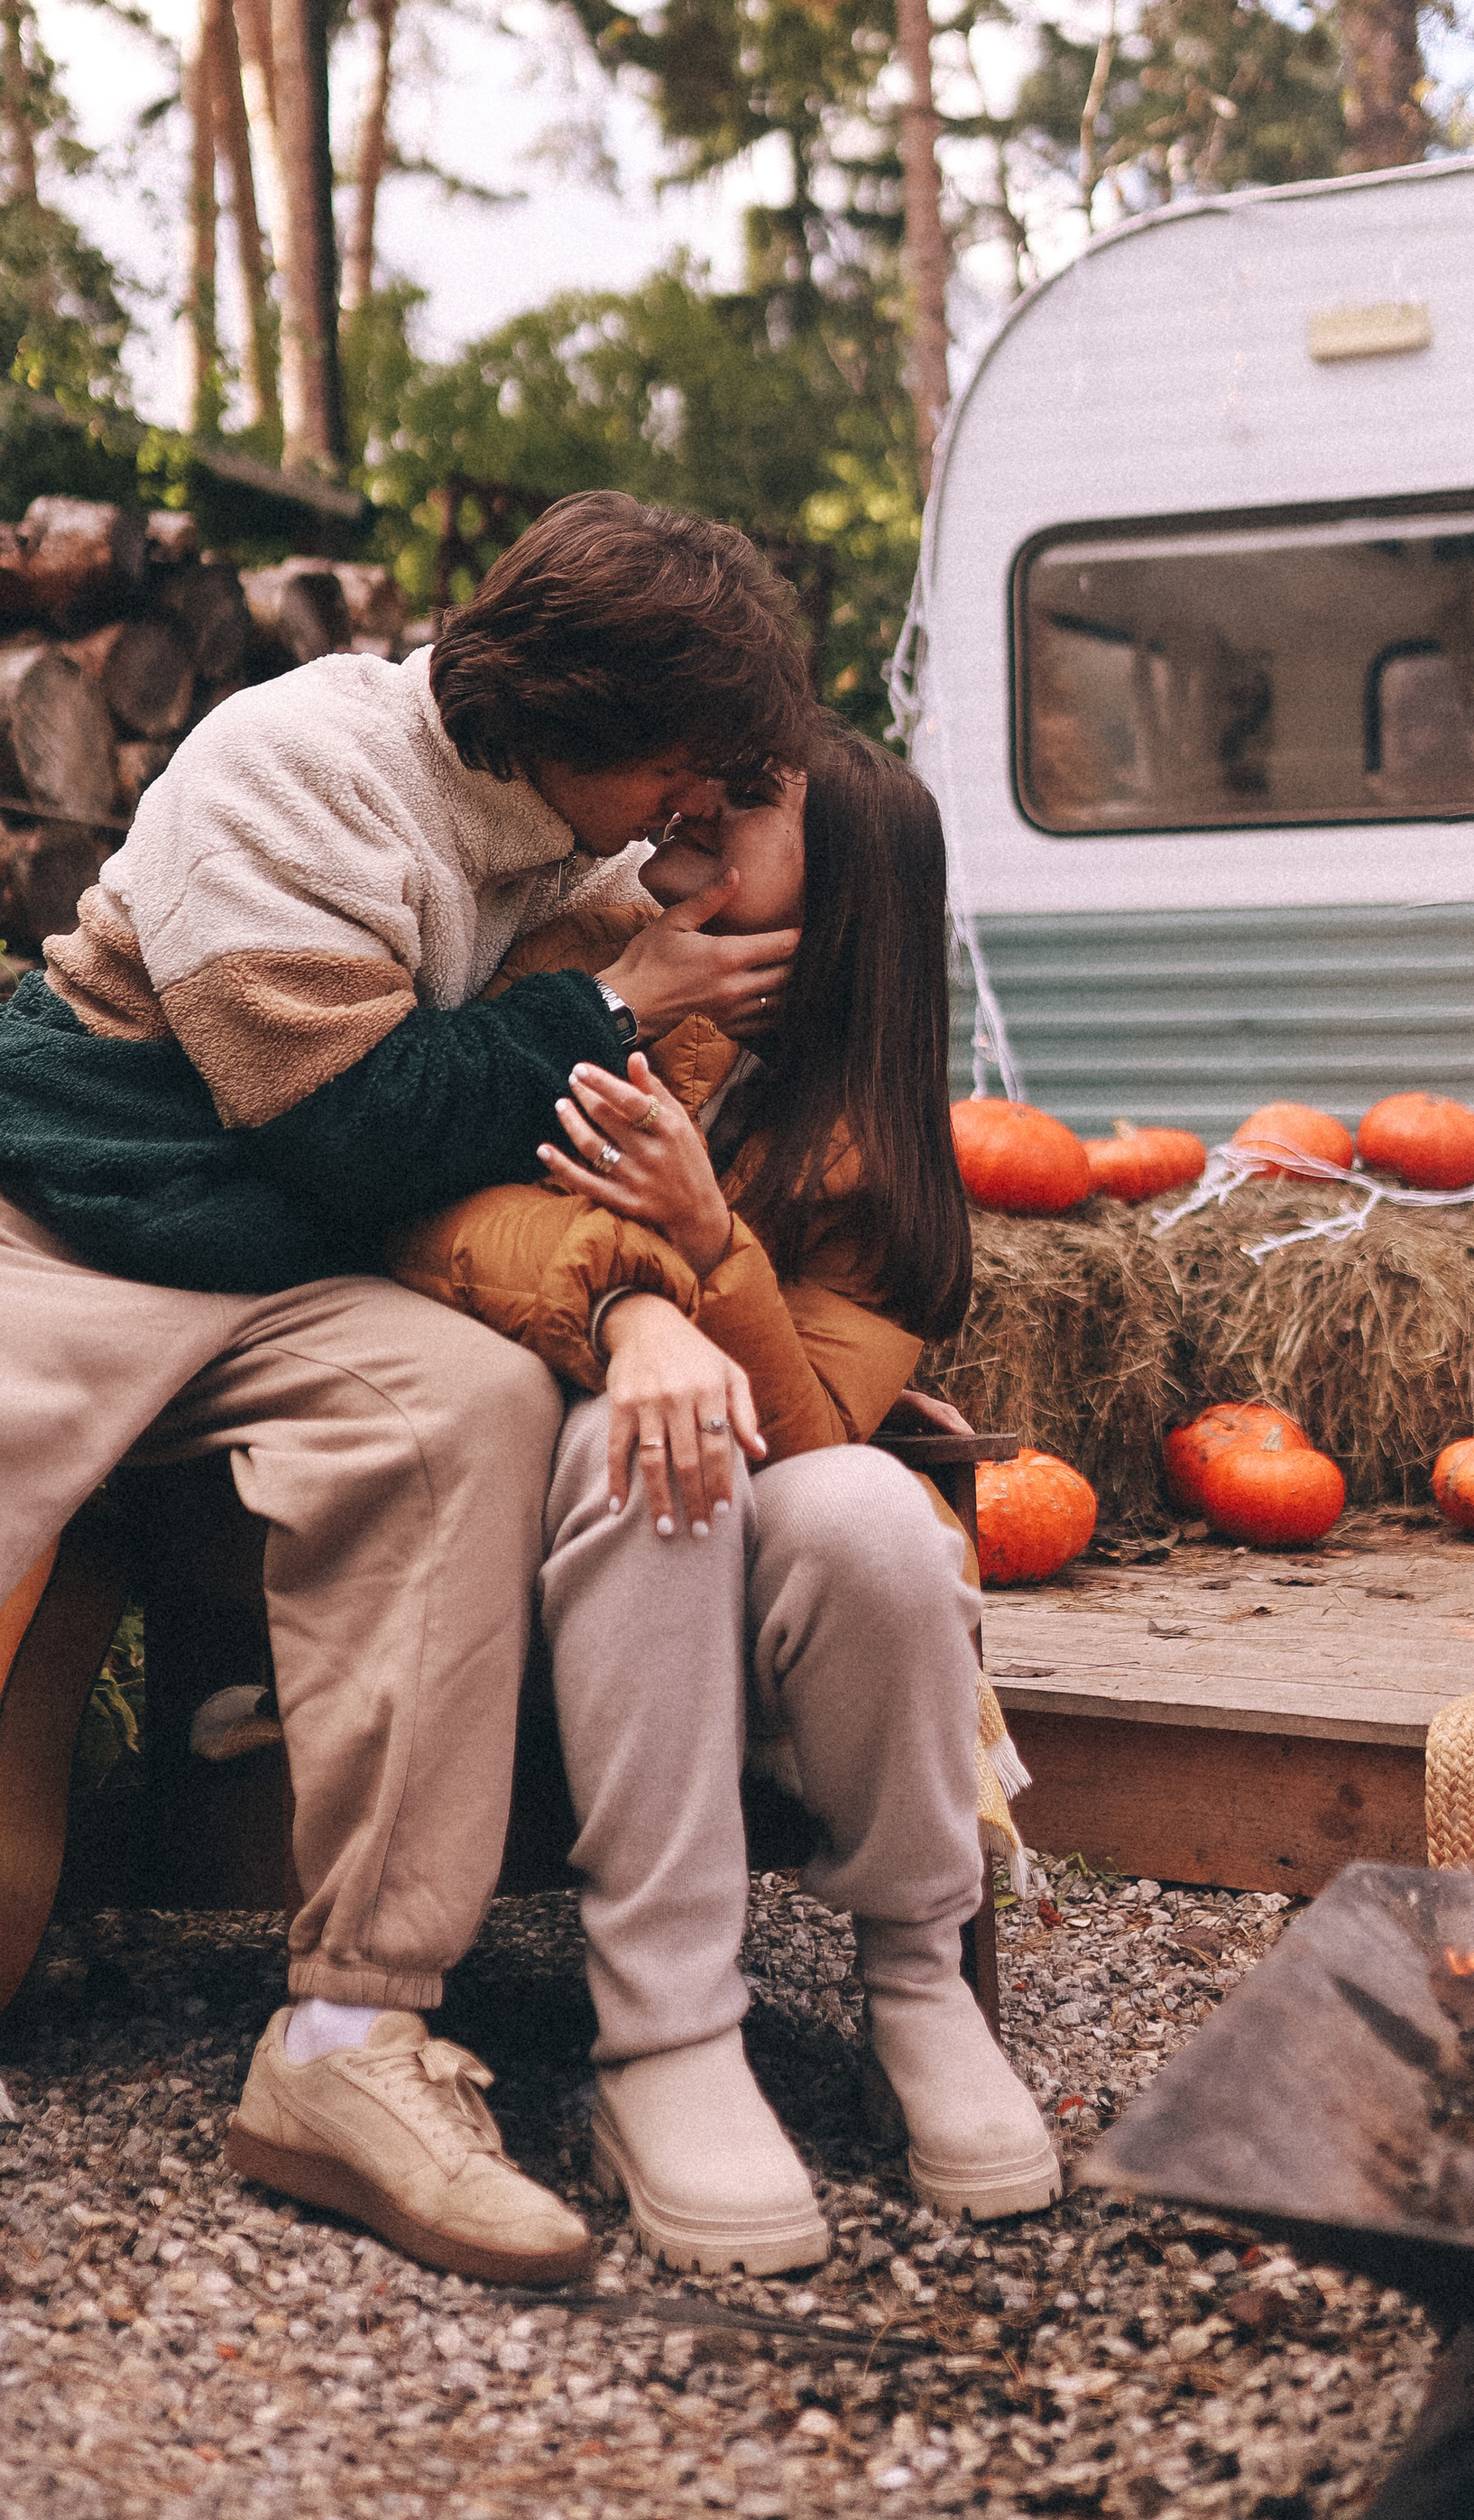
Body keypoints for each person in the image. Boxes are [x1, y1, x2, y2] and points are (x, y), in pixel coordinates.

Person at [0, 493, 812, 2298]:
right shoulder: (292, 760)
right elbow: (351, 1121)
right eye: (683, 774)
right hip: (52, 1209)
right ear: (579, 716)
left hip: (278, 1269)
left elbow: (641, 967)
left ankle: (349, 2047)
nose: (690, 820)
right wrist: (606, 994)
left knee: (460, 1413)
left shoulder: (567, 835)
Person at [392, 722, 1062, 2273]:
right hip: (537, 1510)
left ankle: (919, 1980)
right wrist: (633, 1304)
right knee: (659, 1463)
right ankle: (667, 2037)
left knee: (882, 1514)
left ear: (832, 910)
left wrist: (714, 1240)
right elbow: (436, 1204)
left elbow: (819, 1437)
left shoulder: (873, 1154)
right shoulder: (587, 974)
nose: (688, 815)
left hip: (754, 1596)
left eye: (745, 808)